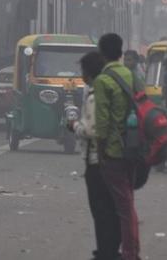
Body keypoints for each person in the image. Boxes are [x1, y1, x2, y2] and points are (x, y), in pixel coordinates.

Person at [69, 51, 121, 260]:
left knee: (101, 212)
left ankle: (105, 253)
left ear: (88, 72)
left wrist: (74, 126)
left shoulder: (95, 95)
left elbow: (91, 130)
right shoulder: (112, 91)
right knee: (113, 209)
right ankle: (112, 250)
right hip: (115, 158)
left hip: (97, 161)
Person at [93, 33, 140, 260]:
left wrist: (100, 150)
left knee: (123, 207)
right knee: (128, 201)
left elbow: (101, 121)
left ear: (102, 54)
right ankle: (132, 249)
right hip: (133, 146)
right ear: (121, 53)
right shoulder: (129, 75)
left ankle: (130, 253)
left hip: (113, 150)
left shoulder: (103, 80)